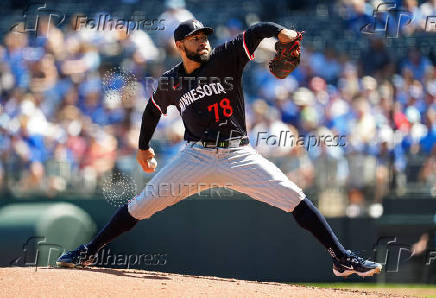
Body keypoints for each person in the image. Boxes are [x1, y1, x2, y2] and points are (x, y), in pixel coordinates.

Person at [57, 19, 382, 277]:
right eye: (196, 37)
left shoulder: (225, 57)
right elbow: (153, 109)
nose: (203, 40)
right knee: (143, 205)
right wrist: (142, 147)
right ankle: (89, 251)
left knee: (293, 197)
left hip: (238, 154)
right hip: (195, 156)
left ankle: (341, 258)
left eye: (204, 35)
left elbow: (256, 32)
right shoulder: (172, 81)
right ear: (180, 45)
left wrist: (279, 32)